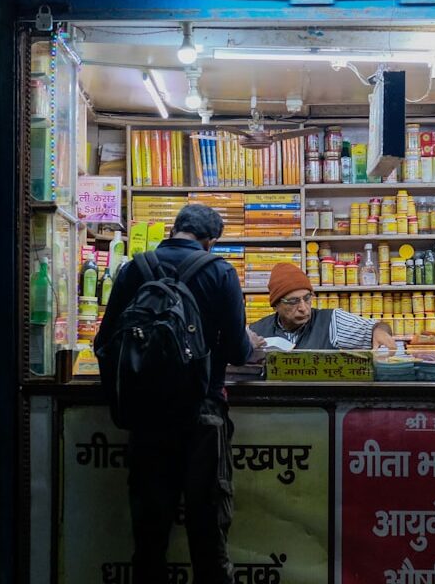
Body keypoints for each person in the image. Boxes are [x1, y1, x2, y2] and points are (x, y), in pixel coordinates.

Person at [94, 204, 253, 584]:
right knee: (208, 534)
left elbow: (104, 343)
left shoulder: (134, 269)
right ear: (210, 241)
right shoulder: (220, 272)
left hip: (146, 417)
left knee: (149, 539)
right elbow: (237, 351)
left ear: (174, 229)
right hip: (203, 414)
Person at [248, 263, 395, 350]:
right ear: (276, 305)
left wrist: (380, 331)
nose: (303, 308)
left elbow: (378, 327)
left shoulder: (331, 321)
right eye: (293, 302)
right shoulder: (255, 331)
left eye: (307, 298)